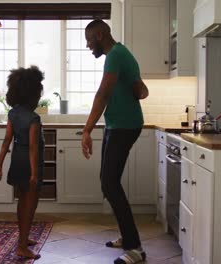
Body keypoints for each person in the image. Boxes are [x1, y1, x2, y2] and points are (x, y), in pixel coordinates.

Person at [81, 19, 149, 264]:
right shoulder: (119, 54)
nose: (88, 46)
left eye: (89, 40)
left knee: (110, 184)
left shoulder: (116, 54)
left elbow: (103, 93)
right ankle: (127, 236)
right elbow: (139, 89)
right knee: (107, 183)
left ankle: (135, 248)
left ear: (100, 35)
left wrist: (87, 130)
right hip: (116, 125)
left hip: (124, 126)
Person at [0, 65, 45, 260]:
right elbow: (33, 147)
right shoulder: (34, 118)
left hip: (16, 160)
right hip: (30, 163)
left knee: (21, 200)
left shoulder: (12, 114)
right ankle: (22, 247)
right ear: (32, 95)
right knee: (30, 203)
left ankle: (23, 239)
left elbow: (7, 141)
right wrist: (34, 173)